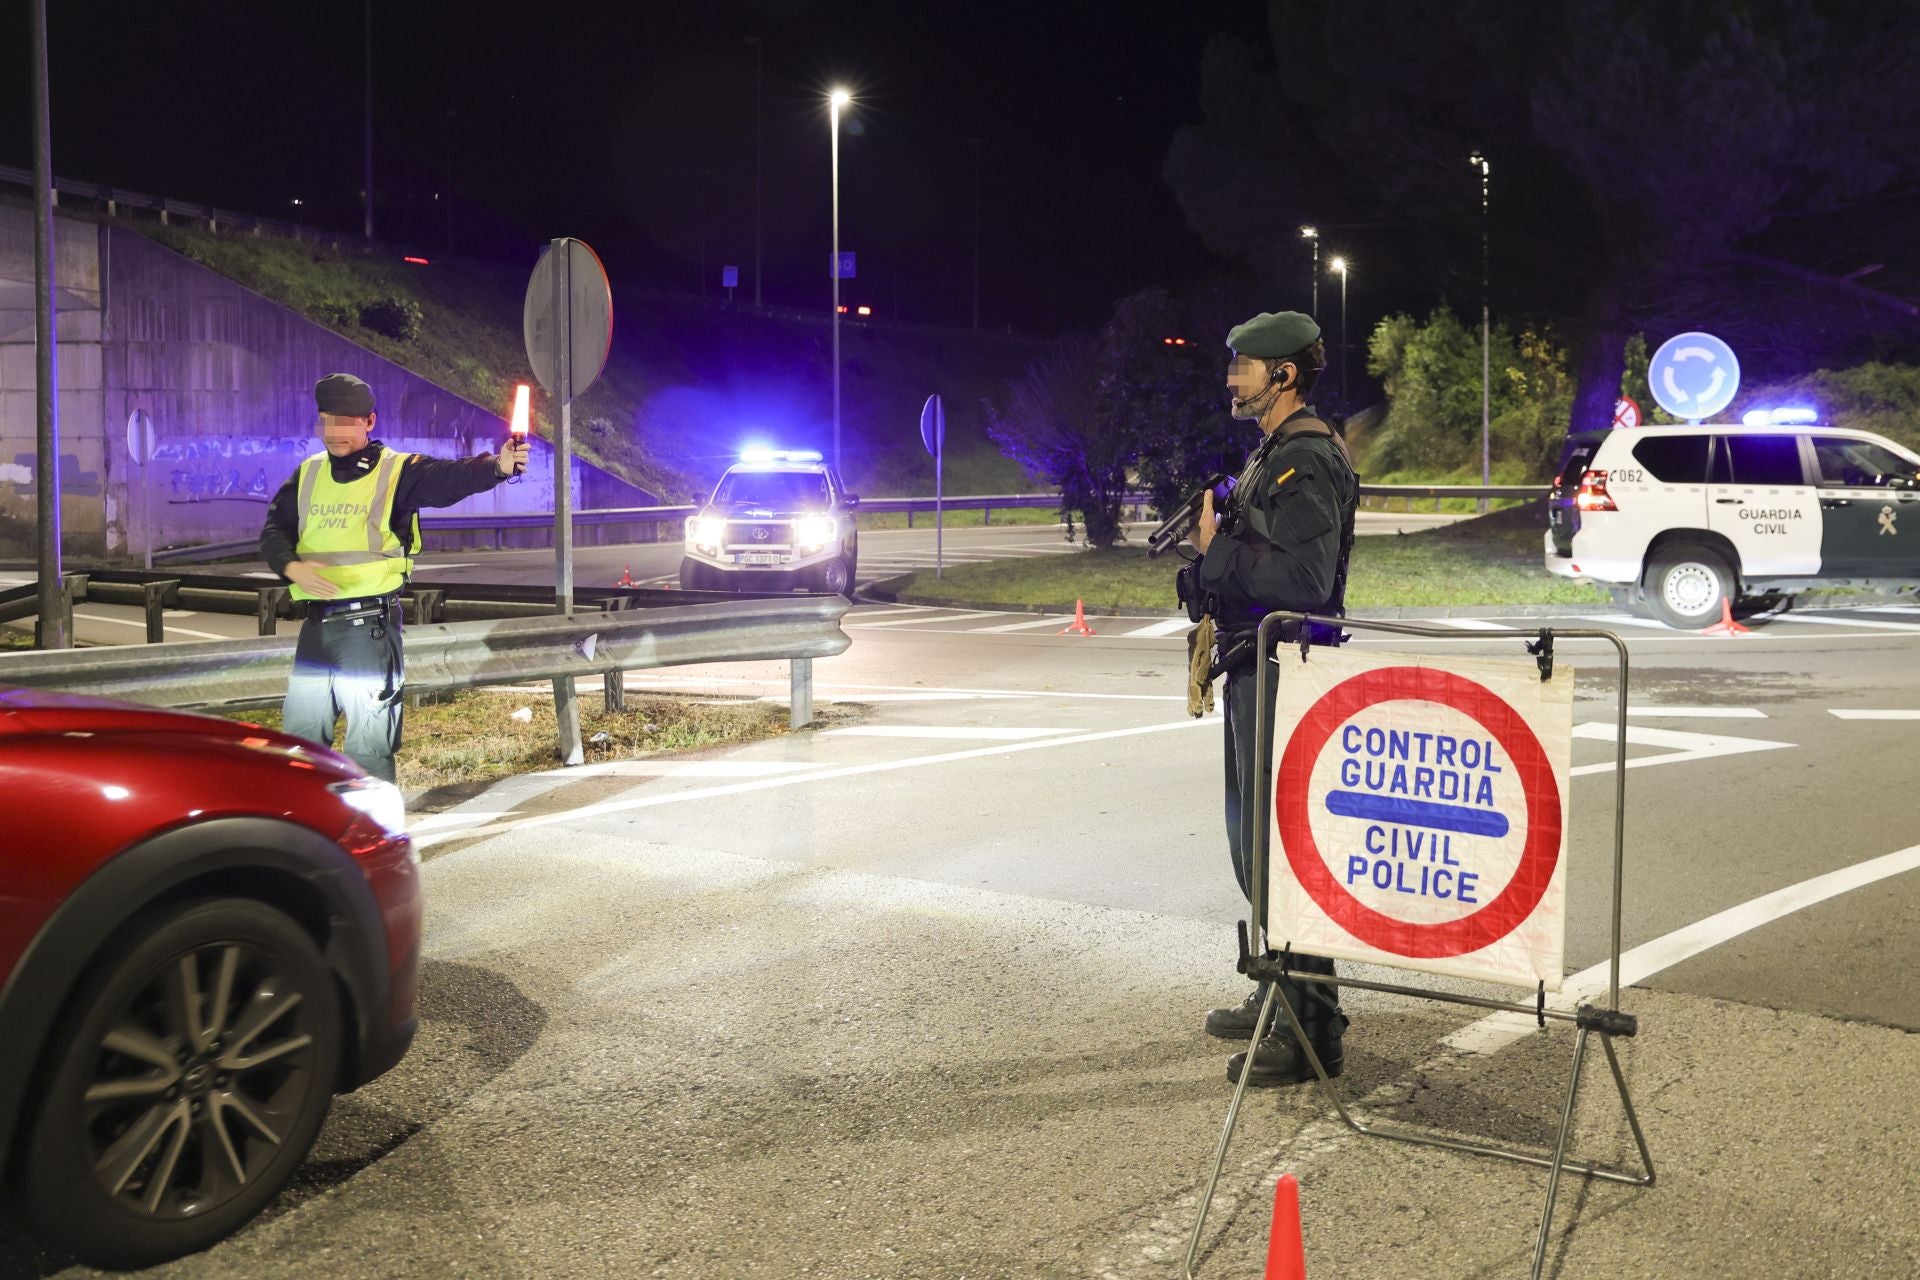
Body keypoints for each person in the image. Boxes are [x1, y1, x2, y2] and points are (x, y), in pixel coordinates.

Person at [1187, 311, 1359, 1087]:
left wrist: (1217, 556)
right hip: (1255, 663)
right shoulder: (1275, 455)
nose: (1232, 377)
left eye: (1244, 365)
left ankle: (1311, 1033)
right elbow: (1257, 557)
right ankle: (1278, 994)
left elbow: (1303, 583)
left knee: (1280, 848)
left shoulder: (1308, 460)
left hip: (1287, 670)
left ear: (1283, 374)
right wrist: (1206, 571)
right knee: (1254, 844)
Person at [260, 373, 528, 782]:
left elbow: (448, 479)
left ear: (369, 422)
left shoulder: (396, 471)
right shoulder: (307, 474)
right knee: (299, 747)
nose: (334, 432)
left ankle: (373, 838)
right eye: (327, 420)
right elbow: (273, 532)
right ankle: (307, 836)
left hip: (368, 630)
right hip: (314, 628)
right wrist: (292, 567)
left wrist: (497, 466)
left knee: (368, 750)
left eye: (346, 421)